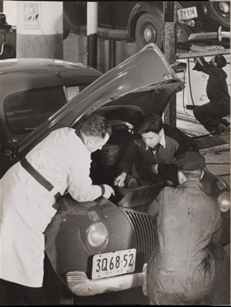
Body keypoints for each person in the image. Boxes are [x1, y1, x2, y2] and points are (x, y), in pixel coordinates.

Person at [0, 115, 115, 305]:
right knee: (29, 270)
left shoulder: (64, 132)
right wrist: (103, 188)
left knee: (8, 257)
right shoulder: (81, 155)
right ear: (90, 140)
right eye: (100, 144)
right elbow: (80, 192)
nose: (101, 148)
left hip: (11, 184)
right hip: (27, 203)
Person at [146, 151, 227, 305]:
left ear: (180, 175)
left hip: (164, 283)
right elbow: (215, 243)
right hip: (198, 284)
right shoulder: (212, 205)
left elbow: (151, 215)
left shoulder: (165, 194)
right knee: (220, 255)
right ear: (201, 174)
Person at [114, 113, 198, 187]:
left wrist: (160, 168)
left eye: (150, 138)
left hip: (174, 175)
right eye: (144, 138)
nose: (146, 142)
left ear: (161, 132)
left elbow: (188, 170)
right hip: (150, 174)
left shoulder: (177, 140)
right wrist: (123, 173)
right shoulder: (137, 139)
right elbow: (126, 159)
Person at [192, 55, 230, 136]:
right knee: (207, 111)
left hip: (220, 105)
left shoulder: (217, 73)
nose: (210, 61)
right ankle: (222, 122)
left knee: (197, 112)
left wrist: (198, 53)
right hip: (223, 105)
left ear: (215, 64)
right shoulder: (218, 73)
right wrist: (196, 60)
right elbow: (204, 68)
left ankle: (217, 126)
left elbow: (205, 65)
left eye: (212, 60)